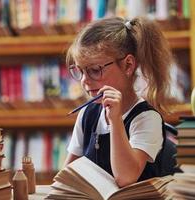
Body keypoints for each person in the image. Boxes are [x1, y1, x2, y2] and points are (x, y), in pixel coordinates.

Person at [64, 16, 176, 187]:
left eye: (94, 70)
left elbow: (125, 177)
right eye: (80, 71)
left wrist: (115, 120)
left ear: (128, 65)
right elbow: (68, 177)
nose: (84, 81)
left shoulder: (147, 118)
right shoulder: (88, 114)